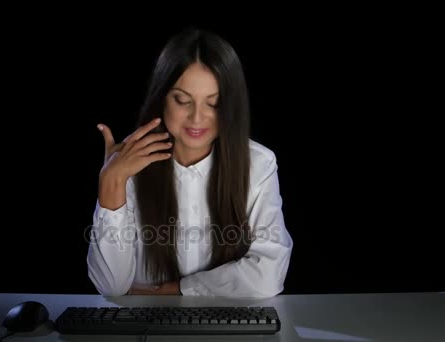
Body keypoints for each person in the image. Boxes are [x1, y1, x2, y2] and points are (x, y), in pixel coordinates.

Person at [87, 27, 293, 297]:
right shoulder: (128, 163)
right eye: (183, 100)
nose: (197, 118)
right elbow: (111, 286)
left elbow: (268, 275)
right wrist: (112, 181)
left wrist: (172, 292)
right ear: (162, 98)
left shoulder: (259, 164)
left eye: (214, 103)